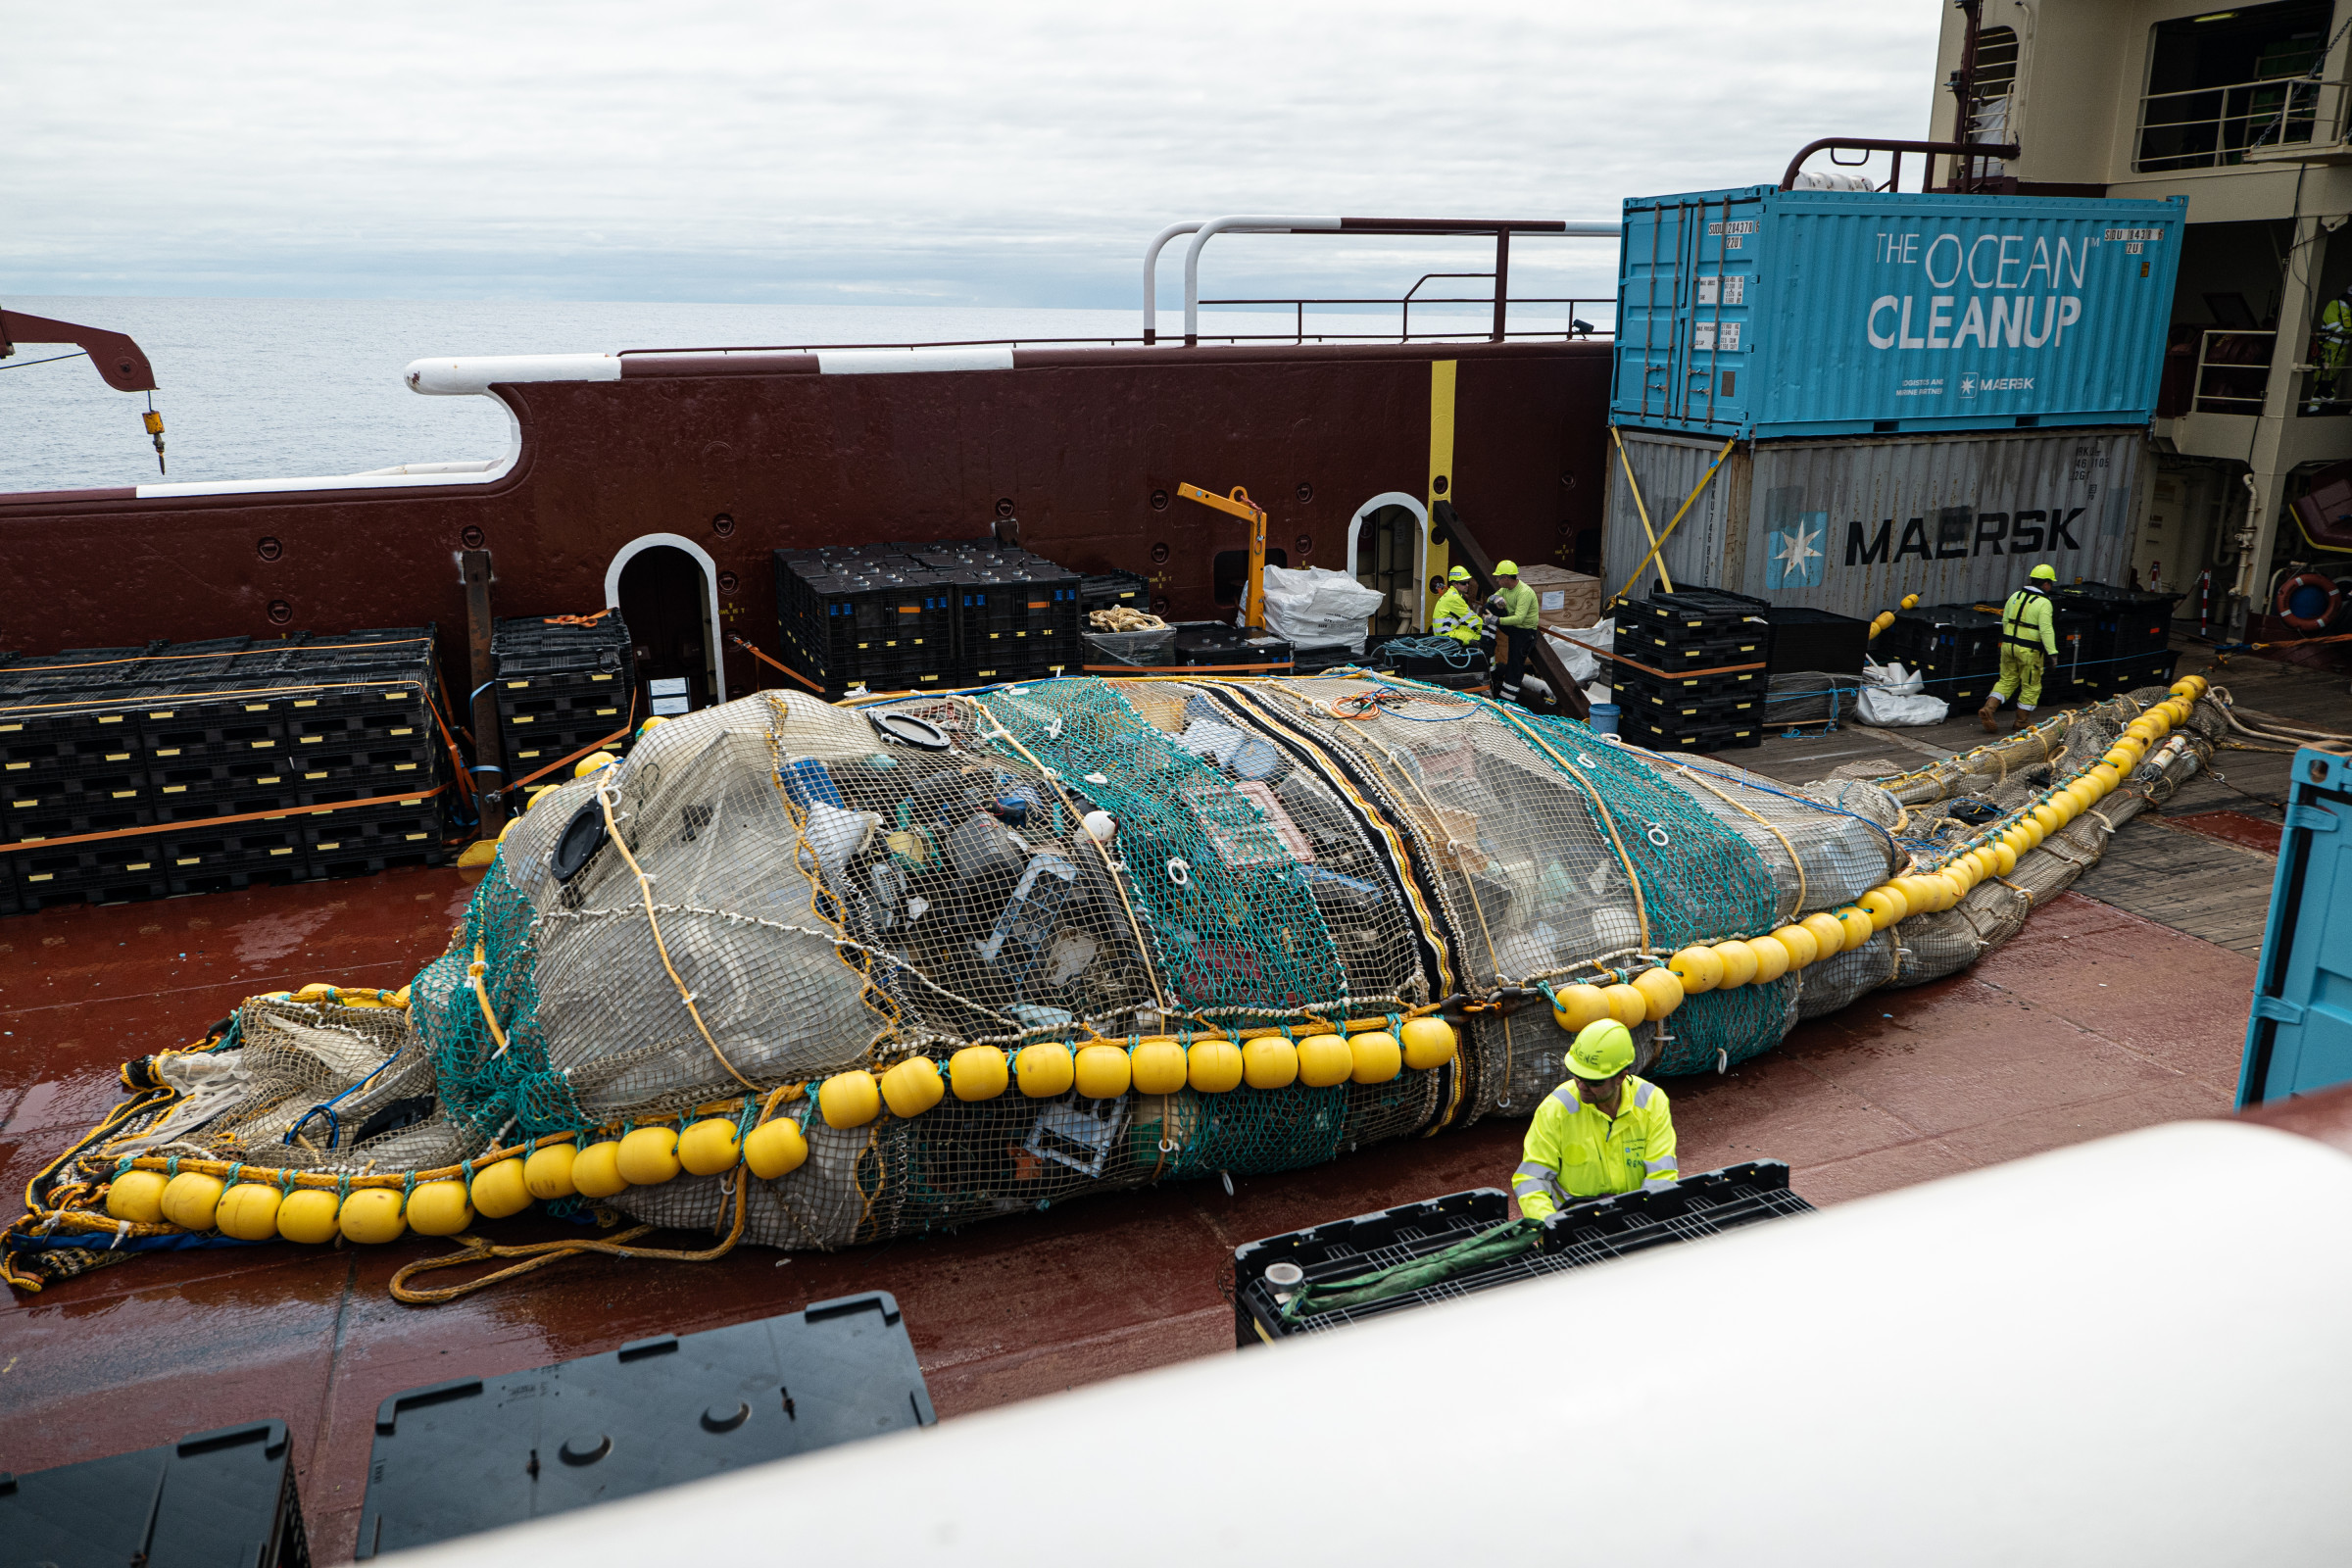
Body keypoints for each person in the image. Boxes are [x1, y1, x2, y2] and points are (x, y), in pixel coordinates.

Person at [1510, 1019, 1679, 1220]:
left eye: (1593, 1081)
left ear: (1621, 1077)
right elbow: (1531, 1179)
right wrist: (1549, 1225)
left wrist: (1642, 1221)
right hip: (1573, 1221)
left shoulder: (1651, 1102)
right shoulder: (1555, 1109)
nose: (1581, 1086)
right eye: (1577, 1076)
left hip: (1635, 1216)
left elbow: (1662, 1176)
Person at [1980, 563, 2059, 733]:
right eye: (2051, 583)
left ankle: (1989, 708)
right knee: (2031, 686)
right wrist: (2052, 654)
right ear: (2045, 583)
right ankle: (2021, 722)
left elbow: (2006, 621)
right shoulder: (2044, 603)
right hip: (2029, 651)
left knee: (2006, 680)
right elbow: (2046, 630)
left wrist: (2010, 641)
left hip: (2008, 646)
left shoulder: (2015, 595)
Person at [1487, 559, 1541, 707]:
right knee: (1489, 606)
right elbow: (1489, 601)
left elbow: (1519, 618)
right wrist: (1494, 599)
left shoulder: (1524, 593)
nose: (1497, 581)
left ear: (1506, 578)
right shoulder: (1505, 590)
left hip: (1524, 632)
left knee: (1515, 666)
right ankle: (1487, 640)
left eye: (1499, 578)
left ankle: (1507, 702)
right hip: (1513, 628)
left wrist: (1497, 621)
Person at [1432, 564, 1482, 644]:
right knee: (1479, 638)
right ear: (1455, 584)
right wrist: (1487, 630)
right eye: (1463, 583)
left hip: (1445, 631)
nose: (1467, 585)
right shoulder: (1454, 598)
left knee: (1472, 631)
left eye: (1468, 582)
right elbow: (1471, 619)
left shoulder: (1452, 594)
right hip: (1445, 635)